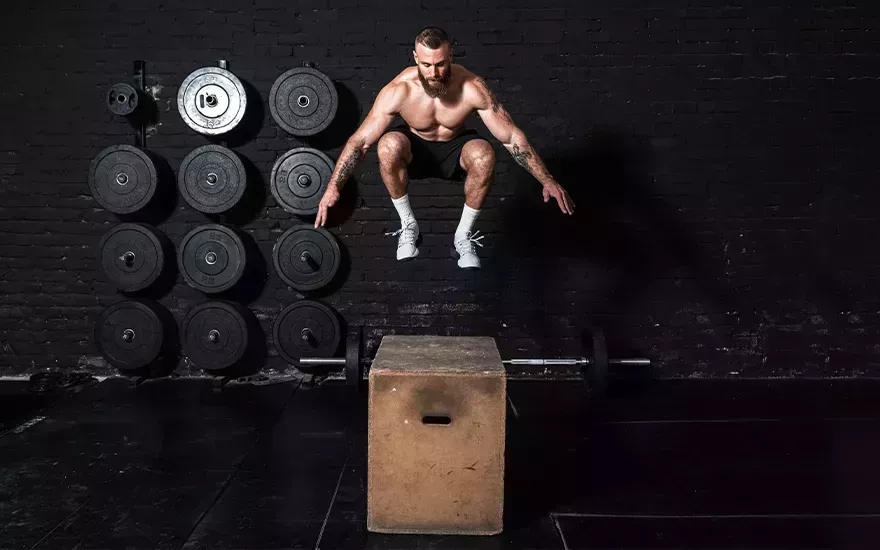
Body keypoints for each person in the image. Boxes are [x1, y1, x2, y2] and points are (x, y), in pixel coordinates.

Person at [314, 26, 575, 269]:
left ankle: (464, 235)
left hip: (455, 149)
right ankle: (408, 226)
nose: (434, 73)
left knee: (485, 153)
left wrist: (547, 179)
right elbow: (360, 142)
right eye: (426, 64)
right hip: (414, 151)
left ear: (451, 55)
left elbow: (511, 138)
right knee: (388, 144)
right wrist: (333, 188)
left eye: (440, 64)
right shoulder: (400, 90)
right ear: (415, 57)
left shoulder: (472, 87)